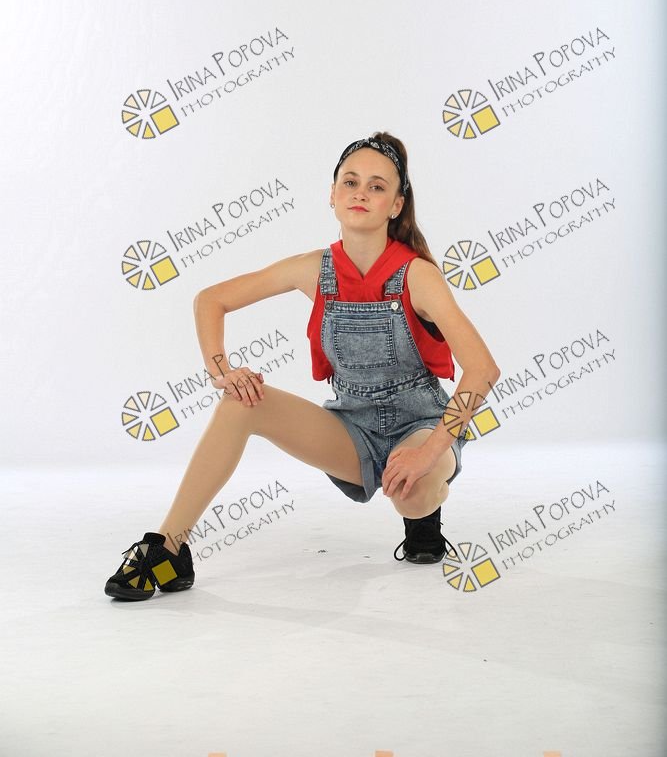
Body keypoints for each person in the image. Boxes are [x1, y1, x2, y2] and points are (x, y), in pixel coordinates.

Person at [104, 132, 501, 601]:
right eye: (350, 181)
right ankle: (168, 548)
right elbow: (210, 300)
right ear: (332, 195)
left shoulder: (418, 276)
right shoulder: (313, 269)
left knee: (410, 495)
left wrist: (429, 453)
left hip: (421, 424)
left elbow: (482, 369)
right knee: (239, 403)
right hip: (352, 428)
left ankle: (424, 521)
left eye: (376, 186)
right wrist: (222, 371)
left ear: (396, 205)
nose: (360, 192)